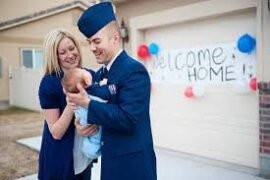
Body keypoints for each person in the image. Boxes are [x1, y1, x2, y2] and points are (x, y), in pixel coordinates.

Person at [66, 2, 157, 180]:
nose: (92, 48)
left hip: (133, 168)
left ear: (115, 38)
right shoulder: (99, 74)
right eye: (89, 42)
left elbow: (128, 118)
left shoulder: (134, 71)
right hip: (110, 164)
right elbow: (98, 114)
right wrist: (82, 126)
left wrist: (88, 104)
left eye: (96, 41)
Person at [38, 29, 97, 180]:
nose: (70, 55)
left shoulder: (87, 75)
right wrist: (71, 102)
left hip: (83, 159)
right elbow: (56, 132)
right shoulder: (49, 84)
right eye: (62, 52)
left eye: (72, 48)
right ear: (55, 56)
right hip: (60, 161)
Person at [62, 67, 111, 159]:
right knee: (95, 138)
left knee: (91, 138)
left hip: (84, 123)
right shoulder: (93, 92)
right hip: (91, 125)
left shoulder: (73, 95)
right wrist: (106, 87)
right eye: (85, 72)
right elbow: (103, 99)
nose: (87, 71)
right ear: (88, 81)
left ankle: (90, 149)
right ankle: (93, 150)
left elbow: (66, 90)